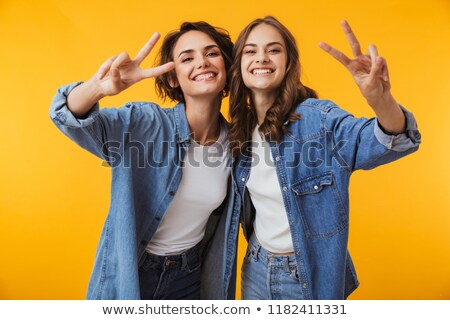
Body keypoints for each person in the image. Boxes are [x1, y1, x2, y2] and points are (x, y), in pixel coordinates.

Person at [229, 16, 421, 299]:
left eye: (273, 50)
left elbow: (388, 141)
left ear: (289, 63)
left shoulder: (317, 119)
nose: (262, 58)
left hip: (307, 274)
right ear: (239, 64)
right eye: (250, 50)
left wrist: (381, 100)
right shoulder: (240, 128)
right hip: (256, 267)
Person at [49, 21, 240, 300]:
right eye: (187, 58)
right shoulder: (145, 123)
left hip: (190, 278)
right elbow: (65, 115)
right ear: (173, 77)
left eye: (211, 54)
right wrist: (98, 88)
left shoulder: (237, 143)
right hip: (132, 276)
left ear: (227, 66)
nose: (201, 62)